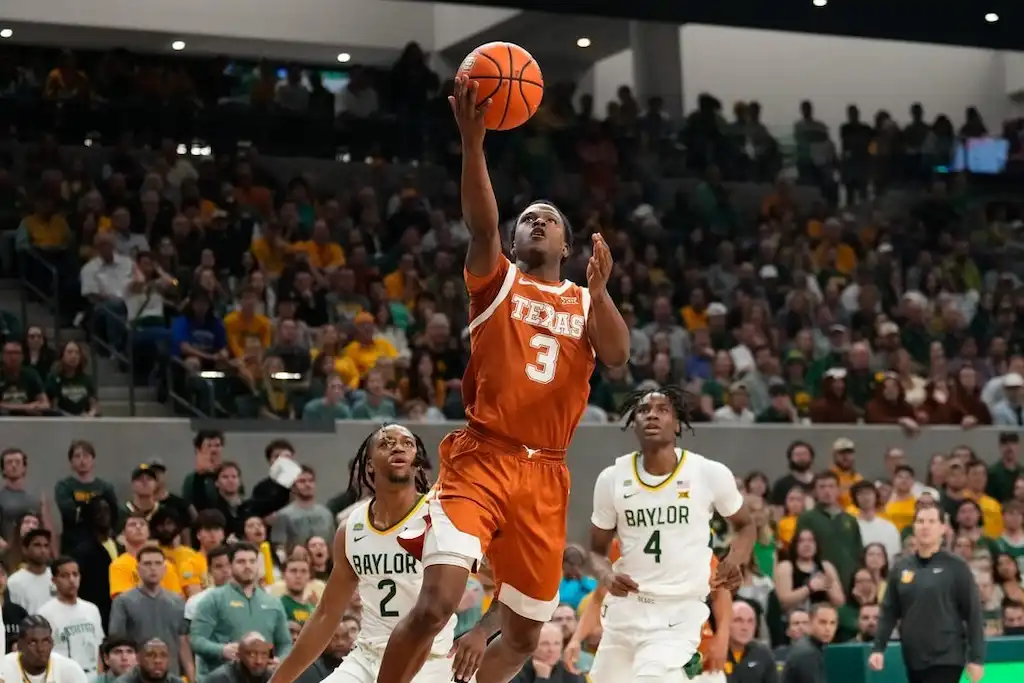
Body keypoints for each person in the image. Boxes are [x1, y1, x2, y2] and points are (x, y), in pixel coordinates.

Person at [374, 73, 630, 683]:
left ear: (567, 245)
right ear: (513, 240)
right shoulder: (498, 282)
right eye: (527, 220)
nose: (537, 223)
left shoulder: (583, 300)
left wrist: (600, 293)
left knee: (522, 636)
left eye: (549, 220)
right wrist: (473, 143)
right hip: (483, 457)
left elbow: (618, 356)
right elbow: (482, 225)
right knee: (436, 604)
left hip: (546, 473)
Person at [584, 386, 754, 683]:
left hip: (678, 613)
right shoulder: (612, 479)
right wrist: (606, 575)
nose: (651, 415)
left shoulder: (708, 473)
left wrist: (735, 559)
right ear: (633, 424)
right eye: (643, 411)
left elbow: (746, 525)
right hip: (626, 611)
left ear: (677, 424)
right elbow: (595, 552)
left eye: (662, 410)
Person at [268, 424, 447, 683]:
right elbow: (326, 614)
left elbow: (498, 573)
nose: (398, 447)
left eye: (407, 443)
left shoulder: (440, 517)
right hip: (367, 656)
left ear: (417, 461)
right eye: (386, 443)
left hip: (428, 660)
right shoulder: (351, 528)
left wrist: (482, 630)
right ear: (369, 464)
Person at [869, 501, 985, 683]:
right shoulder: (901, 567)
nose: (925, 526)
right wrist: (878, 648)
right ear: (913, 527)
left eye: (931, 521)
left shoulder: (956, 566)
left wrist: (976, 658)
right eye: (921, 521)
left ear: (942, 528)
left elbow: (973, 613)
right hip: (913, 658)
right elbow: (889, 611)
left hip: (947, 656)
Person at [37, 557, 104, 676]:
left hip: (91, 675)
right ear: (54, 580)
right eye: (65, 576)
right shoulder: (45, 613)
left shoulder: (92, 609)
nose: (71, 580)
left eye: (75, 574)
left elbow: (98, 647)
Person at [0, 616, 88, 683]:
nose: (41, 649)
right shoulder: (3, 669)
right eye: (33, 643)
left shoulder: (70, 670)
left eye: (46, 641)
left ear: (52, 643)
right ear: (20, 646)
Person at [780, 604, 838, 683]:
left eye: (832, 623)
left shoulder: (812, 647)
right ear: (810, 623)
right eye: (822, 622)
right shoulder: (807, 653)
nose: (828, 628)